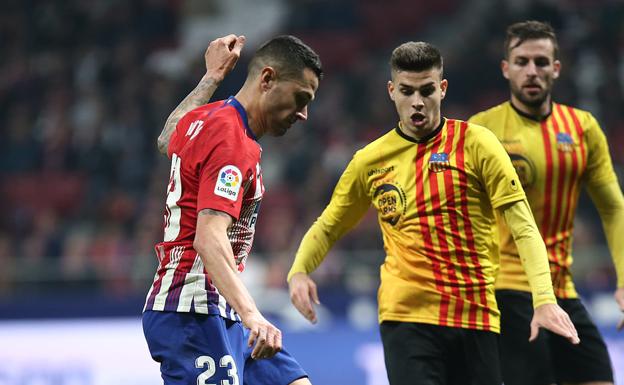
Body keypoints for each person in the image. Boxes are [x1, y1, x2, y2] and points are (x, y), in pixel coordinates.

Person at [286, 41, 579, 385]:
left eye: (427, 90)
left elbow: (524, 227)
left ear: (442, 88)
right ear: (391, 91)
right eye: (407, 91)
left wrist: (544, 299)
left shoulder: (477, 144)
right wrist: (299, 270)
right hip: (406, 318)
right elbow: (330, 224)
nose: (417, 102)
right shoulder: (370, 160)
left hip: (476, 316)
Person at [142, 34, 322, 385]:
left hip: (219, 306)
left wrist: (212, 77)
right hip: (191, 309)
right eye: (301, 99)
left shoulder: (211, 117)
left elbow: (167, 138)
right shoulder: (232, 141)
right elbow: (208, 239)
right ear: (267, 80)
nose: (303, 114)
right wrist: (253, 314)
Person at [468, 20, 624, 385]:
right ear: (506, 69)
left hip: (562, 289)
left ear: (556, 67)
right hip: (505, 289)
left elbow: (613, 207)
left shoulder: (582, 127)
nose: (532, 71)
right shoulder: (481, 130)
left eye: (541, 62)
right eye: (522, 62)